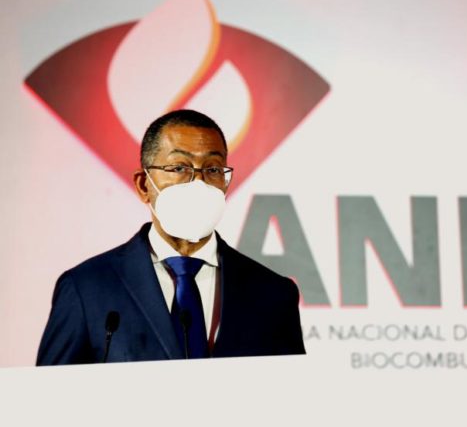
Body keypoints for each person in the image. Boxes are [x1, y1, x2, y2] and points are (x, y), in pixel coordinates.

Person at [37, 109, 305, 364]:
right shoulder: (86, 288)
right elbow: (49, 393)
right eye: (179, 168)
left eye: (212, 169)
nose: (198, 182)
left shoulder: (274, 294)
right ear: (144, 185)